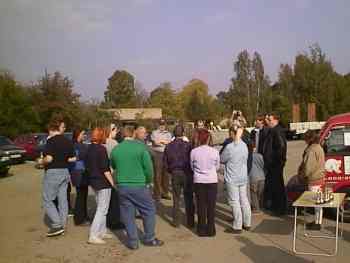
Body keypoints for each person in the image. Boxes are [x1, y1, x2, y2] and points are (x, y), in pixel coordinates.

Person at [110, 125, 164, 250]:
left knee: (127, 214)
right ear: (133, 134)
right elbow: (149, 168)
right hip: (138, 184)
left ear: (123, 135)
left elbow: (113, 165)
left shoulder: (116, 149)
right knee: (149, 210)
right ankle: (149, 238)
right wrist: (148, 181)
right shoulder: (140, 148)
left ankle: (133, 241)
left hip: (122, 185)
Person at [41, 119, 75, 237]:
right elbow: (72, 158)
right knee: (63, 200)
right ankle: (63, 226)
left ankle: (56, 225)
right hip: (65, 172)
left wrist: (41, 161)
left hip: (53, 172)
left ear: (51, 129)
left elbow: (49, 159)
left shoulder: (50, 141)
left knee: (47, 199)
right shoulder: (67, 141)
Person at [85, 128, 114, 245]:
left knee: (102, 208)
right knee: (102, 209)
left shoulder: (89, 148)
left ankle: (102, 231)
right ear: (102, 136)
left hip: (93, 181)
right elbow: (105, 169)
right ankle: (93, 234)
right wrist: (113, 183)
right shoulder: (102, 149)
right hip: (103, 182)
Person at [221, 124, 251, 234]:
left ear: (233, 134)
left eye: (230, 133)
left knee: (234, 201)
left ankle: (237, 226)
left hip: (232, 177)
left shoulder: (230, 147)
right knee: (244, 199)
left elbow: (222, 158)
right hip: (242, 176)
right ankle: (247, 223)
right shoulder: (244, 145)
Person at [163, 125, 195, 228]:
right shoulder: (189, 145)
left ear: (173, 134)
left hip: (175, 172)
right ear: (183, 133)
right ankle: (190, 222)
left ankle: (176, 221)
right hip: (187, 173)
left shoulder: (168, 146)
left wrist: (170, 171)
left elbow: (165, 162)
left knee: (176, 198)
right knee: (188, 198)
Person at [190, 129, 220, 237]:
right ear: (208, 139)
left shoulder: (194, 151)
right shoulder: (215, 151)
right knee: (211, 206)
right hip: (212, 180)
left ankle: (201, 229)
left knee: (201, 205)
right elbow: (217, 167)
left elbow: (192, 166)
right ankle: (211, 229)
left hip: (199, 180)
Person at [297, 130, 325, 230]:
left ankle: (317, 224)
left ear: (309, 139)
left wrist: (302, 176)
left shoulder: (311, 150)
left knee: (316, 202)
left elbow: (309, 167)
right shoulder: (318, 147)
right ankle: (318, 221)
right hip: (320, 177)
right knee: (319, 202)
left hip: (314, 179)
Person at [262, 113, 287, 215]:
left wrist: (276, 161)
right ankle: (275, 206)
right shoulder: (273, 130)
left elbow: (281, 147)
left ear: (276, 120)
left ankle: (280, 208)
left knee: (277, 186)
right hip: (272, 163)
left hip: (275, 164)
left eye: (270, 119)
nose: (268, 121)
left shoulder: (277, 131)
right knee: (274, 185)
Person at [69, 128, 89, 226]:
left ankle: (84, 216)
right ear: (78, 134)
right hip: (79, 173)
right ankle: (79, 219)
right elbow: (77, 158)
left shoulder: (81, 145)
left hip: (82, 173)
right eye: (83, 134)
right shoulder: (75, 146)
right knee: (81, 196)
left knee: (83, 195)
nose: (84, 136)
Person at [151, 119, 172, 200]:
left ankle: (165, 193)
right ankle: (157, 194)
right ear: (158, 125)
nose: (162, 126)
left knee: (166, 174)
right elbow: (155, 143)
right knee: (157, 175)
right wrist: (163, 142)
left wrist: (161, 142)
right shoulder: (154, 132)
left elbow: (169, 143)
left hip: (166, 154)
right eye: (160, 124)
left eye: (163, 124)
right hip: (157, 154)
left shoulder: (168, 133)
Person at [248, 145, 265, 214]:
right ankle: (260, 206)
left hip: (253, 177)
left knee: (253, 193)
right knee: (260, 193)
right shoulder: (260, 156)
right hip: (262, 177)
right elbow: (263, 165)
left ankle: (256, 208)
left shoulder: (247, 157)